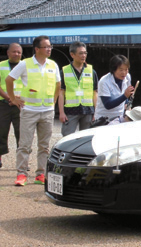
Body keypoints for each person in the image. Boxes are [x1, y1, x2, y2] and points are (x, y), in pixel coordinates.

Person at [5, 35, 60, 186]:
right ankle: (22, 174)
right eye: (46, 47)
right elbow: (9, 80)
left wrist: (53, 102)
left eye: (50, 47)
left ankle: (41, 174)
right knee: (25, 144)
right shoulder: (25, 64)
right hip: (29, 110)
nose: (49, 49)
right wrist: (13, 99)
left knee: (44, 145)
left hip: (47, 110)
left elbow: (57, 84)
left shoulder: (53, 65)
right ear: (37, 49)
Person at [58, 41, 98, 137]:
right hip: (70, 111)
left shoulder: (91, 71)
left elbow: (95, 93)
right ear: (72, 54)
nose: (83, 56)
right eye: (80, 53)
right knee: (67, 137)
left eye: (85, 53)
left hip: (88, 111)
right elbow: (61, 93)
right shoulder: (64, 71)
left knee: (86, 139)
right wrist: (61, 112)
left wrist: (96, 112)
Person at [0, 43, 22, 168]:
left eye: (19, 52)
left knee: (22, 133)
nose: (16, 54)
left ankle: (22, 161)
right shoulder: (1, 65)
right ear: (8, 53)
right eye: (14, 52)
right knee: (1, 131)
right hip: (3, 104)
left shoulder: (25, 67)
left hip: (20, 105)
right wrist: (10, 98)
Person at [94, 55, 134, 120]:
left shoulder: (127, 77)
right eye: (121, 70)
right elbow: (108, 105)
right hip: (104, 119)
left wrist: (127, 103)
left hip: (120, 117)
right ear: (113, 70)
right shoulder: (104, 81)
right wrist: (125, 96)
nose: (124, 73)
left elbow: (125, 94)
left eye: (126, 69)